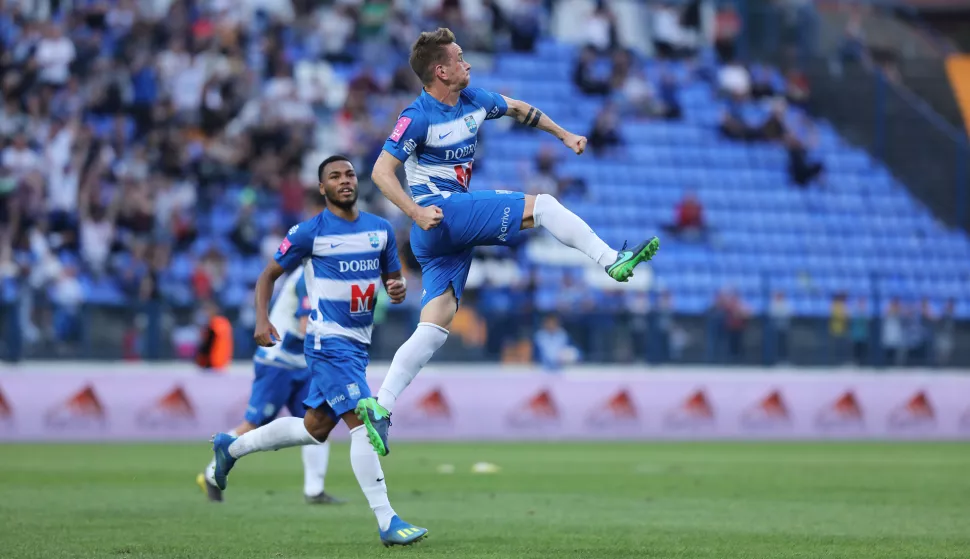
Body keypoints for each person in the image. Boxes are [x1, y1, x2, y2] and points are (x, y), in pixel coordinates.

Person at [359, 28, 660, 456]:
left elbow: (520, 109)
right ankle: (611, 260)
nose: (467, 63)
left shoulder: (475, 100)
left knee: (435, 325)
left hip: (441, 233)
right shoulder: (417, 116)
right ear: (440, 71)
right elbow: (381, 171)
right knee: (544, 206)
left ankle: (381, 405)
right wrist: (414, 211)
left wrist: (564, 135)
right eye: (459, 58)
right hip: (440, 214)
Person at [209, 156, 427, 547]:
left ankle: (232, 448)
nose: (344, 181)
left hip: (358, 345)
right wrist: (261, 320)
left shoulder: (381, 231)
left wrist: (397, 289)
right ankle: (387, 521)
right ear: (322, 188)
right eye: (334, 177)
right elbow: (268, 275)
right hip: (328, 343)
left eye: (348, 175)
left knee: (315, 429)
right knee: (364, 422)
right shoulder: (309, 233)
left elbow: (393, 281)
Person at [196, 194, 343, 505]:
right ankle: (210, 472)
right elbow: (305, 332)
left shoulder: (320, 270)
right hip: (278, 360)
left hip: (299, 363)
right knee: (254, 423)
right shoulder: (309, 275)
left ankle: (314, 490)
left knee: (317, 422)